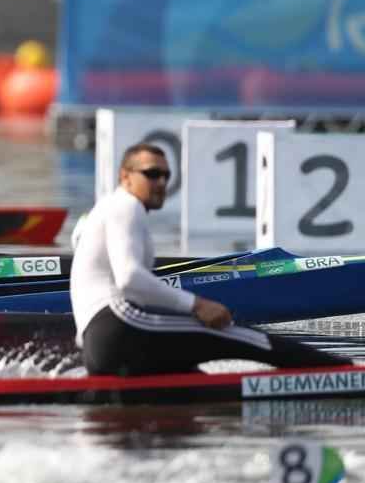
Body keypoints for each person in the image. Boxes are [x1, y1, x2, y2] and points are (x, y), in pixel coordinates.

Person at [69, 142, 350, 376]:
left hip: (98, 348)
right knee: (245, 338)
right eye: (152, 174)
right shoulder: (126, 206)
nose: (161, 183)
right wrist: (197, 304)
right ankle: (345, 371)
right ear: (125, 177)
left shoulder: (107, 208)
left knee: (192, 380)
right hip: (119, 327)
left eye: (166, 176)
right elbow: (130, 279)